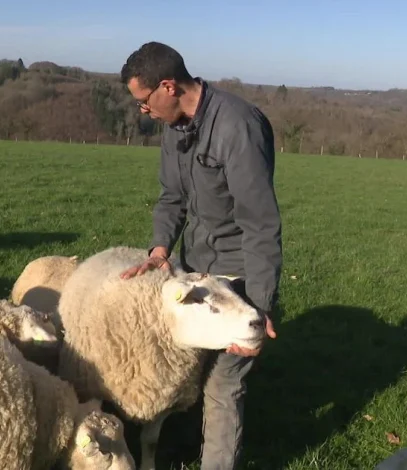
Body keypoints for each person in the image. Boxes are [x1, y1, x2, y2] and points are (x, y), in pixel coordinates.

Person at [118, 41, 283, 470]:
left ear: (168, 87)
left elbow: (261, 225)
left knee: (223, 385)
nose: (143, 112)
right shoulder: (175, 129)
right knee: (189, 371)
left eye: (144, 101)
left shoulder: (237, 127)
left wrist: (259, 304)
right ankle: (182, 447)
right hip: (195, 267)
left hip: (238, 276)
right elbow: (172, 197)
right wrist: (159, 250)